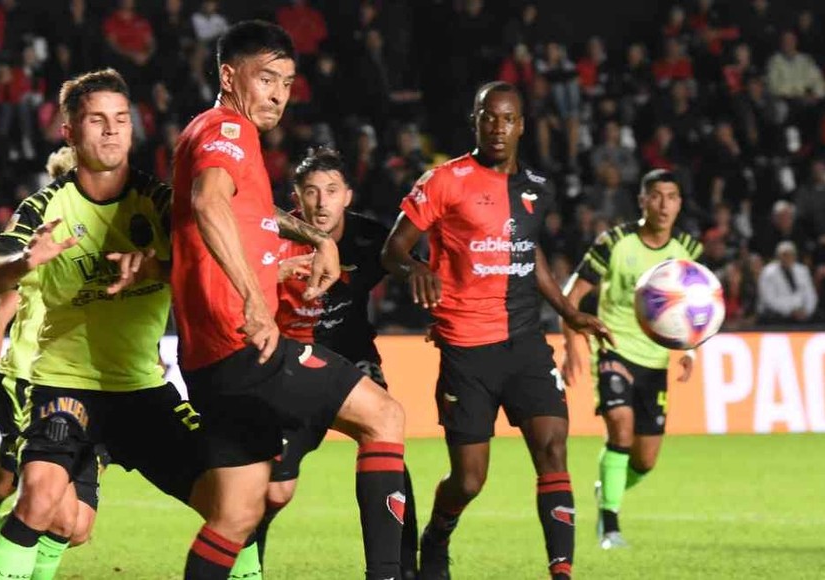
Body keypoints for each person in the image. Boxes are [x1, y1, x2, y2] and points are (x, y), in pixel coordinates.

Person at [170, 21, 406, 580]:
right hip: (242, 342)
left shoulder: (211, 132)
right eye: (266, 78)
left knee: (240, 512)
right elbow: (209, 202)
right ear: (229, 77)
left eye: (287, 82)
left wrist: (317, 238)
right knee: (385, 415)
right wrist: (254, 298)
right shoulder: (228, 128)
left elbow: (247, 212)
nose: (278, 94)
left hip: (207, 359)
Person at [0, 68, 203, 579]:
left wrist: (160, 267)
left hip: (139, 389)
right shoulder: (44, 211)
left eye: (121, 118)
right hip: (59, 383)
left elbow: (216, 249)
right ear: (69, 133)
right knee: (35, 498)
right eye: (97, 119)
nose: (112, 129)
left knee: (225, 496)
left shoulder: (161, 204)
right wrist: (22, 263)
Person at [381, 80, 613, 580]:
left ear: (522, 126)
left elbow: (529, 252)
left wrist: (568, 311)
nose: (498, 127)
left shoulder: (536, 187)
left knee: (553, 448)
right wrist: (415, 267)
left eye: (508, 119)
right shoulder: (444, 181)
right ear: (476, 121)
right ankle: (437, 534)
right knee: (469, 480)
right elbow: (392, 250)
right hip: (467, 350)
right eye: (489, 117)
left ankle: (562, 571)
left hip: (526, 341)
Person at [261, 147, 419, 578]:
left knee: (386, 437)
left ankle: (403, 567)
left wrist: (427, 290)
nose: (321, 202)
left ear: (348, 195)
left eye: (331, 191)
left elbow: (405, 263)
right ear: (296, 197)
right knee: (273, 488)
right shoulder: (274, 239)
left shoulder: (369, 238)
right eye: (311, 191)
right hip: (291, 363)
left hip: (352, 358)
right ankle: (248, 560)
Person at [0, 147, 90, 578]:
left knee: (72, 524)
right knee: (41, 505)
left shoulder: (105, 239)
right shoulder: (48, 238)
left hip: (93, 389)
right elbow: (1, 308)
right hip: (34, 385)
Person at [561, 169, 702, 550]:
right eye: (655, 196)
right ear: (642, 201)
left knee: (645, 460)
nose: (663, 204)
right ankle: (610, 525)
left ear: (679, 203)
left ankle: (608, 486)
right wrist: (571, 347)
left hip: (655, 361)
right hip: (614, 349)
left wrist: (690, 349)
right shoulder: (614, 242)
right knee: (620, 428)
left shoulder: (688, 250)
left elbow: (698, 307)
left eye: (671, 197)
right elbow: (571, 296)